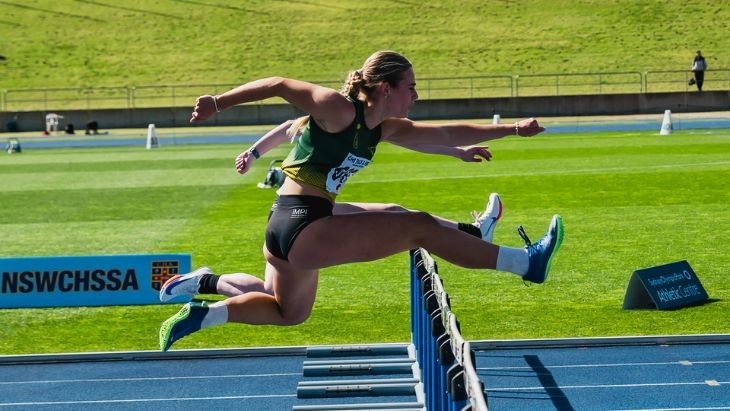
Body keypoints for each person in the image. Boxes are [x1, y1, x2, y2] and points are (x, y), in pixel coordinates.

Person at [158, 50, 564, 352]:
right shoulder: (338, 110)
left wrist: (509, 129)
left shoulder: (381, 128)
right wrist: (218, 102)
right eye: (411, 87)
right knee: (417, 226)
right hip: (304, 224)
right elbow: (279, 84)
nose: (417, 95)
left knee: (288, 311)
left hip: (288, 224)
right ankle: (525, 263)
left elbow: (440, 134)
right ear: (385, 88)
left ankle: (204, 303)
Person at [160, 119, 504, 300]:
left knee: (394, 210)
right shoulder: (324, 122)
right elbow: (286, 128)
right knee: (274, 299)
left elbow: (416, 138)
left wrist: (458, 152)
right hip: (297, 214)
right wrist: (253, 153)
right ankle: (203, 281)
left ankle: (473, 232)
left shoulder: (363, 127)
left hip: (314, 210)